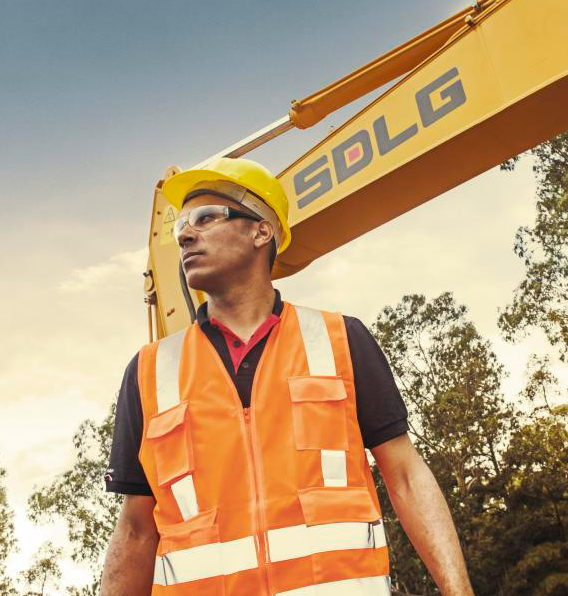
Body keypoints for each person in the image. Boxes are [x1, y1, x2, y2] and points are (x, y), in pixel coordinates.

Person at [100, 158, 474, 596]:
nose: (183, 235)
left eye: (204, 218)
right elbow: (136, 529)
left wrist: (459, 591)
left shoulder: (341, 340)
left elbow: (406, 475)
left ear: (262, 231)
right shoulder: (148, 372)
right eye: (181, 225)